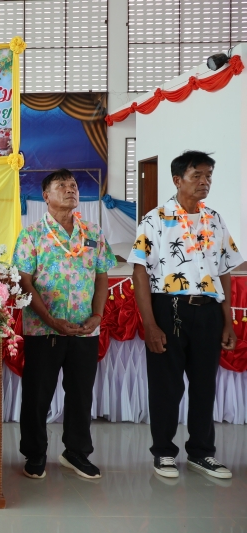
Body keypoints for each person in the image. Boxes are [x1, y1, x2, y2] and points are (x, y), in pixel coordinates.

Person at [129, 151, 242, 480]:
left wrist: (228, 321)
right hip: (170, 309)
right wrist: (150, 324)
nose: (205, 182)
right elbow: (139, 272)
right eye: (197, 176)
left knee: (205, 385)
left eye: (209, 176)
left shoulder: (214, 219)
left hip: (208, 311)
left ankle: (202, 453)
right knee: (166, 386)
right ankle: (163, 452)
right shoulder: (155, 219)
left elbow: (224, 270)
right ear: (178, 180)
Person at [12, 169, 116, 480]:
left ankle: (76, 452)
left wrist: (97, 316)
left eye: (73, 185)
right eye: (62, 186)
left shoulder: (93, 232)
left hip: (85, 328)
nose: (70, 189)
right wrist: (50, 319)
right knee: (37, 394)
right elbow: (23, 282)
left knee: (81, 394)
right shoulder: (31, 235)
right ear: (46, 196)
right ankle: (35, 454)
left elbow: (101, 277)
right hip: (44, 329)